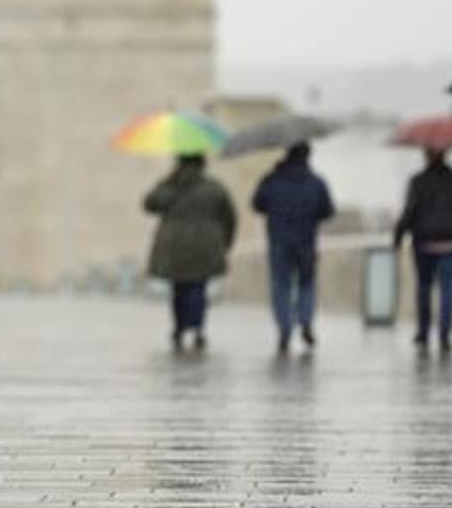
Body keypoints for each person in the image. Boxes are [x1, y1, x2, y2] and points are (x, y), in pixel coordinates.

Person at [143, 154, 237, 352]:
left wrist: (169, 181)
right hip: (206, 245)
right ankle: (197, 327)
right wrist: (224, 243)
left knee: (179, 288)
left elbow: (149, 204)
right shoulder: (214, 188)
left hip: (174, 246)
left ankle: (179, 327)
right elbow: (229, 218)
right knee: (198, 288)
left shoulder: (170, 187)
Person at [252, 142, 335, 355]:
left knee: (281, 286)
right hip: (307, 242)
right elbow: (327, 211)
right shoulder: (316, 182)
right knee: (306, 284)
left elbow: (257, 204)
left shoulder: (272, 180)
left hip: (279, 241)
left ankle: (284, 329)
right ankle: (305, 321)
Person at [394, 148, 452, 354]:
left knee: (424, 288)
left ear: (427, 156)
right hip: (451, 242)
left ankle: (423, 332)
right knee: (447, 288)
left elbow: (409, 212)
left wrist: (398, 236)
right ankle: (444, 335)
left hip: (424, 242)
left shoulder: (418, 181)